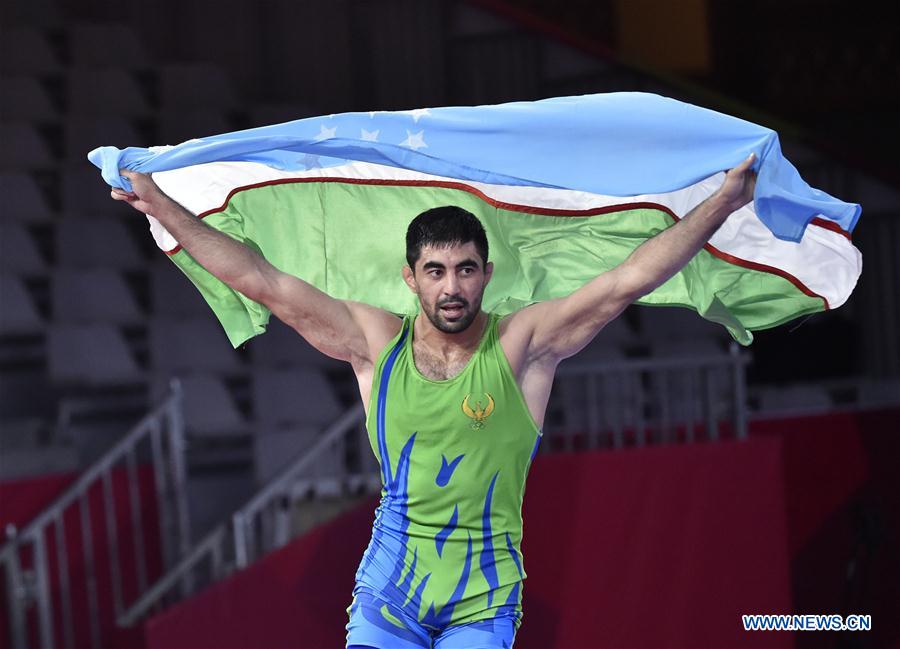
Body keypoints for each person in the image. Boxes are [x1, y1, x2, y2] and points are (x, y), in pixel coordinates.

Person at [112, 153, 757, 648]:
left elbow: (627, 281)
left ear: (486, 274)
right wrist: (163, 210)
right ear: (411, 277)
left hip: (484, 599)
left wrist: (723, 203)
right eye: (437, 271)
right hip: (389, 590)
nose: (453, 288)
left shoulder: (522, 346)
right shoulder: (374, 344)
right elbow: (262, 281)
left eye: (466, 270)